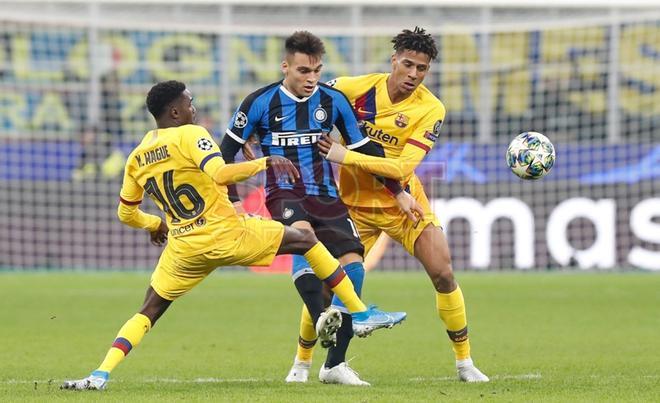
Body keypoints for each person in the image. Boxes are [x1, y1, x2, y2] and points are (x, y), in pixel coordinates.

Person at [61, 80, 407, 391]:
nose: (195, 109)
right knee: (307, 241)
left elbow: (125, 213)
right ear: (175, 111)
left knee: (150, 308)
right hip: (227, 233)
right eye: (190, 102)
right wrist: (265, 162)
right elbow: (222, 172)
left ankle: (99, 374)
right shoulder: (190, 134)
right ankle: (360, 315)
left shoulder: (137, 156)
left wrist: (156, 224)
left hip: (184, 248)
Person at [286, 27, 490, 384]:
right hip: (353, 206)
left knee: (443, 272)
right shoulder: (353, 88)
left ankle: (465, 363)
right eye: (408, 64)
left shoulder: (430, 108)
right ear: (393, 60)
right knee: (328, 286)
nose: (413, 74)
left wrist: (343, 155)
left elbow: (401, 168)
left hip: (404, 203)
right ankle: (301, 364)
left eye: (422, 69)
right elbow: (300, 100)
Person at [221, 31, 420, 386]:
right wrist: (234, 200)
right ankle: (334, 314)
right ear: (285, 67)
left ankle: (333, 366)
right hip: (284, 192)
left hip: (326, 194)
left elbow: (367, 152)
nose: (311, 79)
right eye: (302, 71)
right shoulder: (259, 102)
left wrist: (399, 192)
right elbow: (225, 154)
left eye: (316, 70)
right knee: (304, 237)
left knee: (353, 265)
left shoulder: (334, 101)